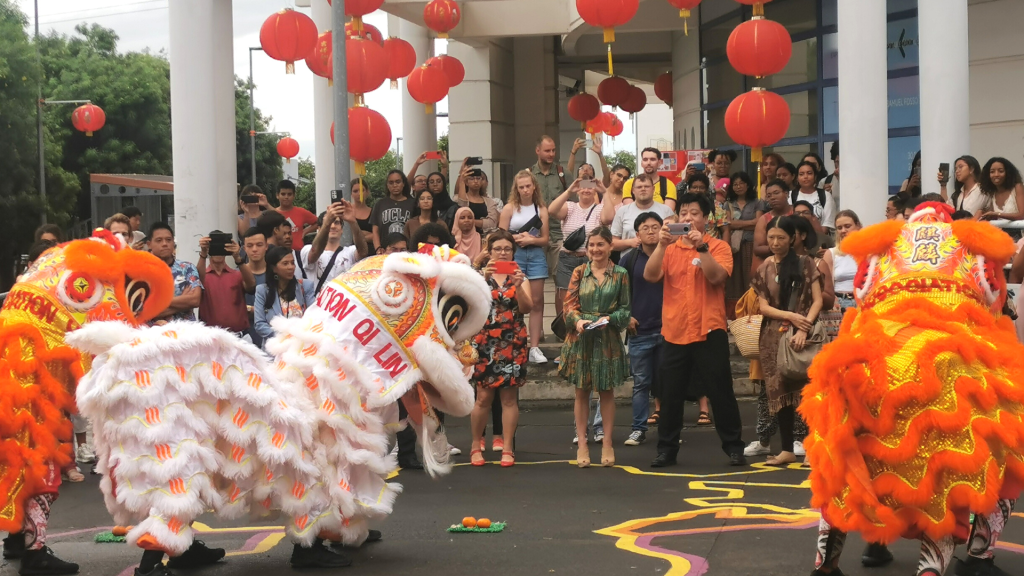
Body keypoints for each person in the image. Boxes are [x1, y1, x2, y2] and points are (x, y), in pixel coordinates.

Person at [645, 192, 747, 468]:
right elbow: (650, 275)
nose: (688, 218)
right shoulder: (670, 248)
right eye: (684, 213)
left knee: (721, 391)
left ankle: (734, 447)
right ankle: (666, 449)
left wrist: (702, 248)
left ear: (705, 219)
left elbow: (716, 277)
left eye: (694, 213)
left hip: (709, 328)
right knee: (670, 394)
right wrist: (661, 245)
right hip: (675, 329)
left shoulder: (718, 247)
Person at [751, 216, 822, 466]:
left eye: (781, 237)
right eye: (771, 237)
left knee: (808, 392)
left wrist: (804, 327)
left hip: (804, 334)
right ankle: (786, 450)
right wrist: (791, 316)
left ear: (792, 238)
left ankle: (813, 448)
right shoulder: (764, 267)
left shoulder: (806, 263)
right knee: (779, 393)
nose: (775, 242)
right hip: (773, 335)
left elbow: (817, 301)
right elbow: (763, 306)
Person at [559, 227, 631, 468]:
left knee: (607, 390)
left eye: (601, 244)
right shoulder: (579, 271)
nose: (595, 249)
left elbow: (625, 308)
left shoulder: (621, 274)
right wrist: (578, 320)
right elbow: (568, 305)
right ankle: (582, 443)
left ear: (610, 246)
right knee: (581, 390)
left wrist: (610, 319)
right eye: (592, 245)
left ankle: (608, 442)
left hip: (607, 336)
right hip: (582, 337)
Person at [469, 230, 532, 468]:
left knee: (509, 397)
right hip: (485, 340)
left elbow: (527, 308)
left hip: (512, 341)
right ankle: (476, 444)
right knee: (483, 397)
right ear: (489, 251)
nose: (503, 252)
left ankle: (507, 447)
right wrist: (480, 280)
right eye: (498, 249)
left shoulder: (519, 276)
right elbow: (468, 306)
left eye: (507, 249)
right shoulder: (478, 276)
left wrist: (519, 286)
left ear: (513, 252)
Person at [620, 212, 665, 446]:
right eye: (645, 228)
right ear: (637, 234)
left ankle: (669, 430)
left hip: (669, 330)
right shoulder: (628, 260)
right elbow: (619, 294)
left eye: (655, 226)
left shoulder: (672, 255)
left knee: (668, 383)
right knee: (641, 384)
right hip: (640, 332)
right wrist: (626, 317)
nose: (650, 231)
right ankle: (638, 428)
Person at [499, 169, 550, 364]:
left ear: (534, 186)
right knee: (514, 299)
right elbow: (500, 238)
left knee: (537, 301)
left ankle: (534, 347)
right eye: (521, 187)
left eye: (528, 186)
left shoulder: (541, 209)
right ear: (517, 189)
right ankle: (516, 342)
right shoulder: (510, 208)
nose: (526, 190)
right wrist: (517, 238)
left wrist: (531, 240)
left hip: (535, 254)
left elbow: (545, 239)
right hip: (515, 254)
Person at [549, 177, 604, 330]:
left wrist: (604, 190)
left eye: (590, 187)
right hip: (567, 258)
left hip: (590, 259)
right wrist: (569, 190)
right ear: (578, 189)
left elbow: (609, 217)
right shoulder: (570, 206)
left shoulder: (599, 208)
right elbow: (552, 210)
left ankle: (587, 330)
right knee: (564, 297)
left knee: (589, 298)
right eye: (583, 187)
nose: (586, 190)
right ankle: (565, 331)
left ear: (595, 190)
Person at [253, 246, 316, 345]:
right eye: (285, 263)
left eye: (292, 263)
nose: (291, 267)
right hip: (276, 348)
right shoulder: (262, 291)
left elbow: (314, 316)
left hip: (302, 347)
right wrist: (286, 336)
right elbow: (260, 325)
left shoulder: (305, 286)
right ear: (273, 268)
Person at [196, 234, 254, 337]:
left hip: (239, 336)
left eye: (221, 246)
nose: (218, 251)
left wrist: (237, 257)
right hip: (211, 338)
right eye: (214, 246)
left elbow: (252, 285)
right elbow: (197, 282)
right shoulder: (204, 276)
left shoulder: (237, 275)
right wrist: (203, 253)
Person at [302, 201, 367, 292]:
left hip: (343, 304)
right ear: (319, 229)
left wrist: (353, 222)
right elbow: (315, 252)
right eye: (329, 223)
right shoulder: (306, 249)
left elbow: (363, 251)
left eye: (336, 223)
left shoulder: (350, 251)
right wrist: (326, 224)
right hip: (319, 304)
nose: (332, 226)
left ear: (342, 230)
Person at [148, 222, 202, 324]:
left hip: (188, 332)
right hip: (156, 333)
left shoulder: (187, 268)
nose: (164, 244)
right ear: (149, 244)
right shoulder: (142, 272)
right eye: (159, 240)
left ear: (173, 242)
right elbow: (145, 312)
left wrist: (158, 303)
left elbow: (195, 300)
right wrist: (182, 301)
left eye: (168, 240)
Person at [530, 135, 568, 277]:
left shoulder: (563, 173)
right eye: (547, 151)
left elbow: (577, 198)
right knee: (535, 277)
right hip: (535, 233)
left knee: (561, 278)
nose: (551, 154)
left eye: (553, 150)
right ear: (538, 150)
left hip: (559, 233)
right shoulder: (529, 174)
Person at [725, 171, 764, 309]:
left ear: (748, 185)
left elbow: (759, 222)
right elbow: (727, 224)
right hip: (734, 246)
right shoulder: (728, 204)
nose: (738, 186)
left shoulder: (757, 203)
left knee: (750, 276)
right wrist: (750, 223)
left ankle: (752, 307)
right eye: (735, 184)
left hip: (751, 243)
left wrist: (737, 223)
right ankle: (736, 310)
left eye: (741, 183)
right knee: (735, 279)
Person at [610, 174, 675, 255]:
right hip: (629, 263)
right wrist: (630, 242)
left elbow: (674, 239)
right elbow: (612, 243)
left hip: (661, 261)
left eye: (647, 186)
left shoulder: (666, 210)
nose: (643, 189)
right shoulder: (622, 211)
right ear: (633, 190)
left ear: (653, 189)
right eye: (639, 187)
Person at [753, 180, 795, 277]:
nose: (772, 197)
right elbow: (757, 248)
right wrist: (778, 247)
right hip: (772, 269)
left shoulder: (798, 213)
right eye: (769, 195)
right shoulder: (764, 219)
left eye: (776, 193)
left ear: (786, 193)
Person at [371, 170, 416, 251]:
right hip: (386, 250)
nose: (394, 185)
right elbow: (375, 230)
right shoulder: (380, 204)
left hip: (406, 250)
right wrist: (378, 248)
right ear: (387, 185)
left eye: (398, 182)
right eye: (391, 183)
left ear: (403, 183)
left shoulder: (413, 203)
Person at [241, 227, 269, 348]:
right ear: (244, 248)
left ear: (266, 246)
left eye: (259, 245)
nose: (255, 249)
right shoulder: (237, 274)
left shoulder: (277, 273)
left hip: (271, 334)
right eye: (250, 245)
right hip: (245, 336)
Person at [454, 160, 500, 235]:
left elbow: (491, 223)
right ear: (467, 182)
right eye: (472, 179)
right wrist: (462, 179)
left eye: (478, 178)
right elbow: (462, 206)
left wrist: (469, 222)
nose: (475, 181)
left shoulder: (490, 202)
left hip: (483, 237)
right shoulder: (457, 198)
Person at [830, 210, 861, 314]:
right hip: (840, 304)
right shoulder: (831, 253)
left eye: (847, 226)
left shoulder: (869, 252)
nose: (843, 230)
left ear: (857, 225)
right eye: (839, 228)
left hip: (865, 302)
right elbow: (827, 288)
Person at [979, 157, 1024, 227]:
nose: (996, 174)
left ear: (1008, 173)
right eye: (992, 172)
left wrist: (997, 214)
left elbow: (1022, 215)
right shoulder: (992, 193)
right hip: (1000, 235)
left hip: (1020, 234)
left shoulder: (1017, 187)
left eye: (1001, 171)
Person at [792, 160, 837, 231]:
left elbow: (826, 227)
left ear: (815, 176)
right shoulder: (790, 195)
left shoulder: (825, 195)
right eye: (801, 174)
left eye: (809, 173)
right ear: (797, 178)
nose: (805, 177)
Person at [274, 180, 317, 250]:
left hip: (299, 252)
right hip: (279, 254)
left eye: (289, 194)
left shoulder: (301, 212)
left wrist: (305, 231)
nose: (286, 197)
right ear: (277, 195)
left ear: (294, 195)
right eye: (283, 194)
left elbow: (319, 222)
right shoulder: (273, 213)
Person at [350, 178, 375, 251]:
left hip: (370, 251)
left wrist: (360, 237)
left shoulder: (374, 212)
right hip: (351, 251)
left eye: (362, 190)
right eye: (355, 191)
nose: (359, 194)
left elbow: (377, 235)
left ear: (367, 192)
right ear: (351, 194)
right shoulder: (347, 210)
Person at [823, 142, 840, 208]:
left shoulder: (858, 180)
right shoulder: (825, 181)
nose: (840, 165)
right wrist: (824, 194)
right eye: (837, 162)